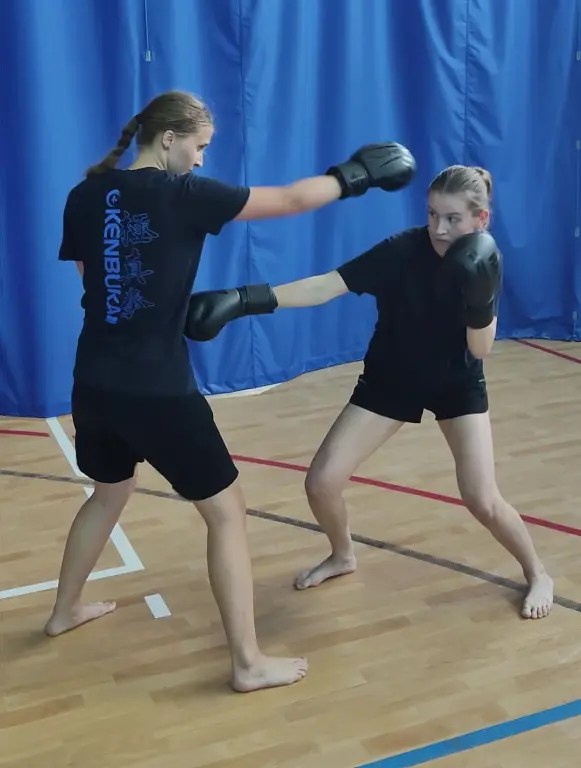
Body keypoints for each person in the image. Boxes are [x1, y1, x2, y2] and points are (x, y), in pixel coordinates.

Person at [48, 88, 417, 692]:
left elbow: (97, 284)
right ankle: (247, 662)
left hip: (92, 382)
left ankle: (64, 611)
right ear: (169, 138)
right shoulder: (184, 194)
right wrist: (356, 175)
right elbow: (291, 199)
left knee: (109, 492)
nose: (199, 159)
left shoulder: (84, 195)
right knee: (226, 513)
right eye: (198, 146)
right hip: (158, 391)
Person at [185, 164, 554, 621]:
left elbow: (480, 349)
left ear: (481, 219)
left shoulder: (484, 262)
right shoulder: (402, 250)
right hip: (391, 378)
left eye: (452, 218)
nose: (439, 228)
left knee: (482, 498)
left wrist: (479, 299)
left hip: (456, 383)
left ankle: (537, 572)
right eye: (432, 214)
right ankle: (343, 555)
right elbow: (326, 286)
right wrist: (245, 300)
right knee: (321, 483)